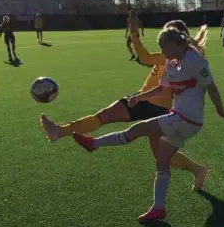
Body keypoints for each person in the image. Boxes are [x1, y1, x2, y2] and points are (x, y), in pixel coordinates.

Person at [72, 26, 224, 222]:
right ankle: (158, 208)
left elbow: (211, 87)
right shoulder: (171, 63)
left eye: (163, 47)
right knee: (162, 161)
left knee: (141, 128)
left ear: (177, 44)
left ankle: (93, 144)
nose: (162, 52)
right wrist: (139, 98)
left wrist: (221, 111)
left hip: (187, 119)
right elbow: (162, 90)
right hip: (180, 118)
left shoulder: (194, 60)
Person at [40, 20, 211, 190]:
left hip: (158, 108)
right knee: (104, 116)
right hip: (144, 100)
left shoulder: (176, 57)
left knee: (161, 154)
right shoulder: (174, 55)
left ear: (176, 41)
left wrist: (134, 33)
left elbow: (144, 58)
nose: (162, 46)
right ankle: (60, 131)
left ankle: (197, 169)